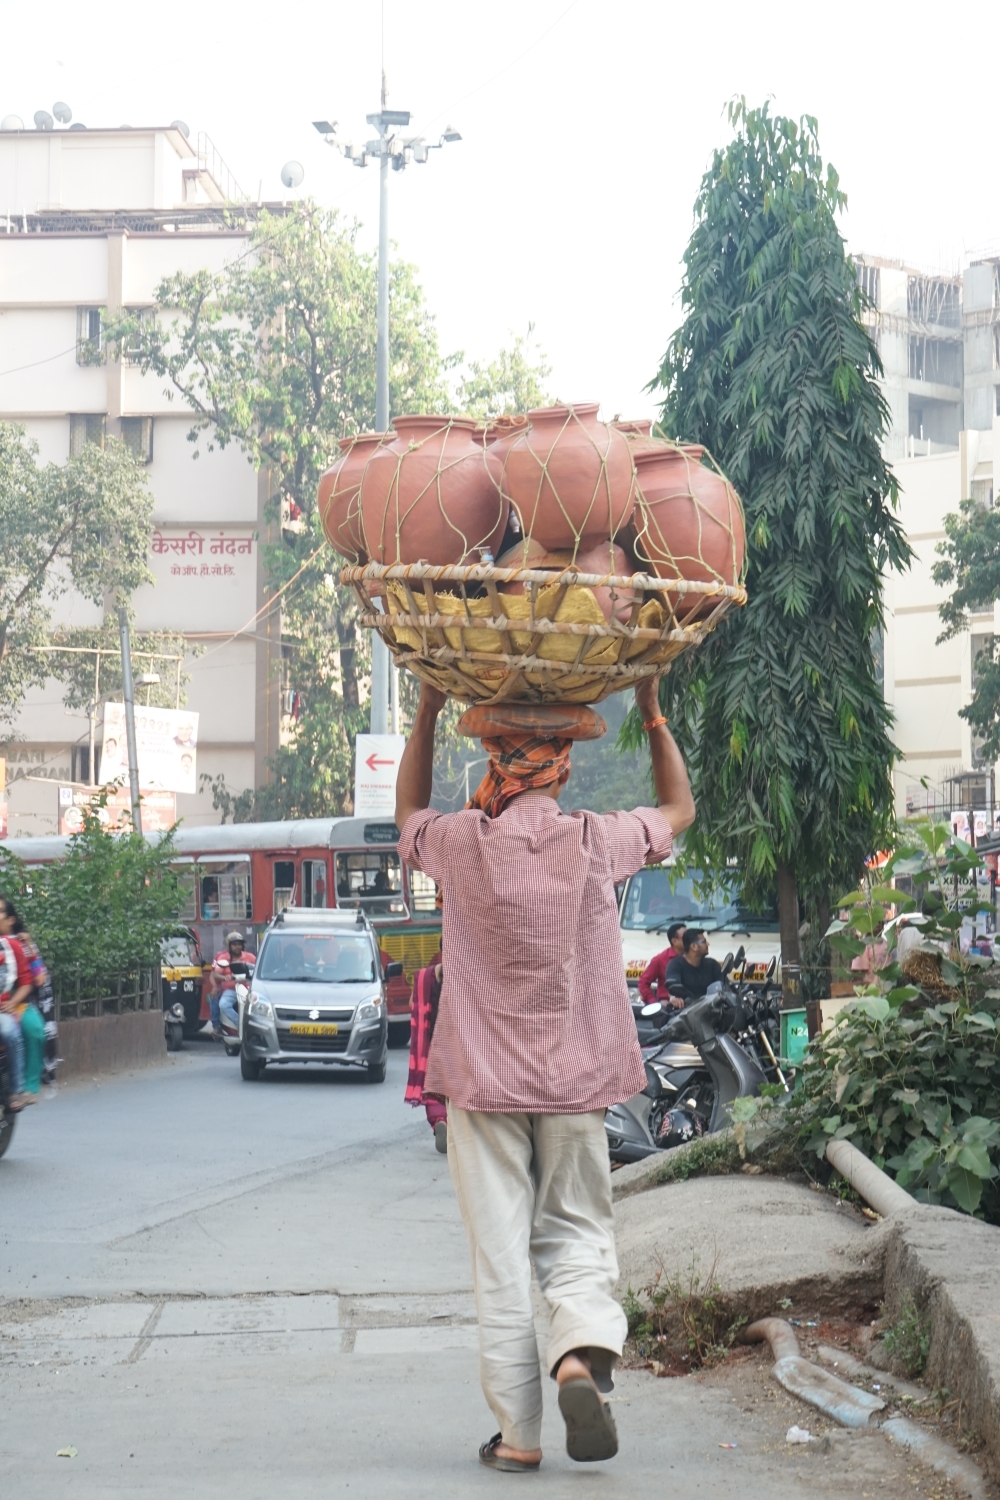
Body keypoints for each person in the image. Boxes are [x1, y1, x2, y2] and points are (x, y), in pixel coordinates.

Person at [394, 674, 695, 1472]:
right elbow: (679, 811)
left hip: (483, 1087)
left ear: (493, 761)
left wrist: (425, 711)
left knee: (499, 1257)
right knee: (577, 1233)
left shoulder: (459, 843)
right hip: (573, 1082)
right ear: (563, 766)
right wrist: (653, 707)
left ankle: (520, 1439)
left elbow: (405, 815)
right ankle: (579, 1352)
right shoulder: (598, 840)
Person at [0, 895, 45, 1107]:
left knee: (34, 1028)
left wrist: (31, 948)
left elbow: (38, 978)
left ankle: (28, 1087)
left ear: (11, 919)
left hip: (17, 1003)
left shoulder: (20, 944)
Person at [209, 930, 256, 1038]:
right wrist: (225, 978)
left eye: (239, 944)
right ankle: (241, 1025)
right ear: (229, 946)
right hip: (231, 990)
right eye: (234, 945)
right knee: (223, 1004)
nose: (237, 947)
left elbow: (259, 970)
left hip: (248, 989)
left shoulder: (250, 957)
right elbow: (215, 974)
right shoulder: (222, 958)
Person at [663, 928, 723, 1001]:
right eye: (704, 941)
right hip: (685, 1010)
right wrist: (674, 997)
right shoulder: (675, 964)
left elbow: (723, 984)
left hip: (711, 1008)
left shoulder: (712, 964)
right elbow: (672, 985)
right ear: (694, 946)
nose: (708, 944)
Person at [637, 922, 687, 1007]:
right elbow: (643, 983)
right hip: (670, 1007)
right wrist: (655, 1003)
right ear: (675, 941)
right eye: (686, 937)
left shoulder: (694, 957)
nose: (690, 939)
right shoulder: (660, 959)